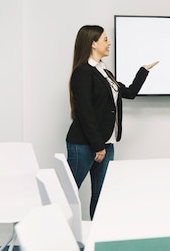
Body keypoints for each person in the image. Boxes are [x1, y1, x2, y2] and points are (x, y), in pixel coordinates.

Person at [66, 25, 158, 218]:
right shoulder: (83, 72)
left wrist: (143, 70)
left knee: (102, 195)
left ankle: (96, 239)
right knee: (68, 193)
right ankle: (58, 238)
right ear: (93, 43)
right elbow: (85, 112)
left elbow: (130, 93)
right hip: (84, 144)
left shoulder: (104, 71)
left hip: (105, 144)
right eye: (105, 39)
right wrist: (98, 146)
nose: (109, 43)